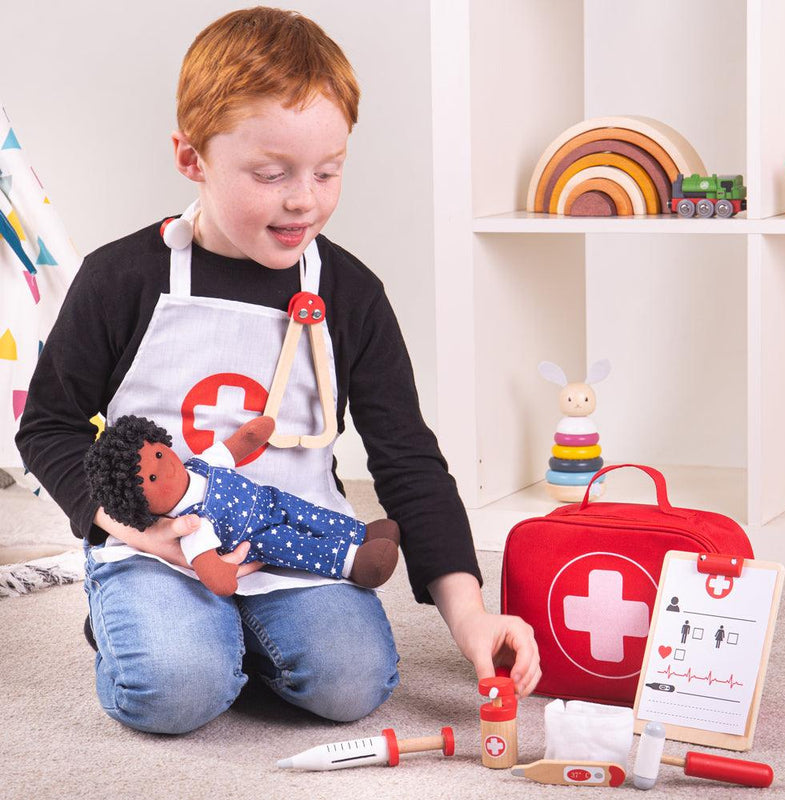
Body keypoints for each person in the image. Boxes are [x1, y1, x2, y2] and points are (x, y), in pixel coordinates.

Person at [16, 6, 540, 734]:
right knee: (175, 691)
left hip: (294, 539)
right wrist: (127, 529)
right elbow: (49, 425)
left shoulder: (351, 293)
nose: (304, 198)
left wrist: (471, 614)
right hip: (160, 544)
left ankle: (225, 640)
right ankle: (153, 627)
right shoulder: (121, 277)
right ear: (191, 158)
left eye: (328, 170)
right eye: (271, 174)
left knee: (351, 685)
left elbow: (408, 459)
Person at [83, 414, 400, 594]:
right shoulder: (192, 524)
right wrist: (224, 571)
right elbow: (215, 575)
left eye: (158, 454)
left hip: (271, 500)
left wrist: (252, 434)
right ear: (137, 502)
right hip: (257, 538)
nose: (164, 467)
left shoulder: (200, 464)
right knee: (298, 546)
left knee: (311, 513)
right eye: (151, 478)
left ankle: (361, 533)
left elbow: (236, 446)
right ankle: (353, 562)